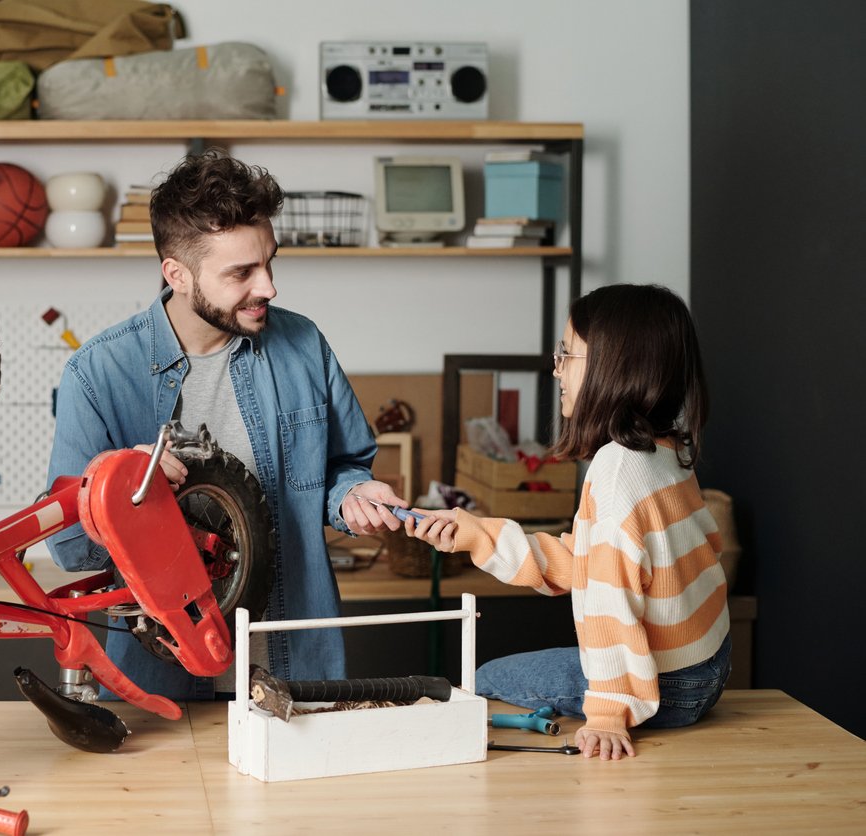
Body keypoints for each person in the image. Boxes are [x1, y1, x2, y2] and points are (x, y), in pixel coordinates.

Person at [45, 149, 403, 701]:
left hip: (293, 668)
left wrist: (354, 494)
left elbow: (342, 466)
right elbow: (71, 547)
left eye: (269, 262)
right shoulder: (98, 373)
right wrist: (120, 485)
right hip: (159, 679)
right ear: (177, 274)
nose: (269, 288)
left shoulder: (303, 345)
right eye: (242, 272)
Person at [407, 283, 731, 760]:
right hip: (709, 668)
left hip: (667, 686)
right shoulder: (665, 453)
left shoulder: (616, 470)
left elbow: (608, 602)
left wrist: (607, 715)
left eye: (567, 354)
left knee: (485, 678)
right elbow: (592, 563)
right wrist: (478, 535)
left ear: (612, 369)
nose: (556, 368)